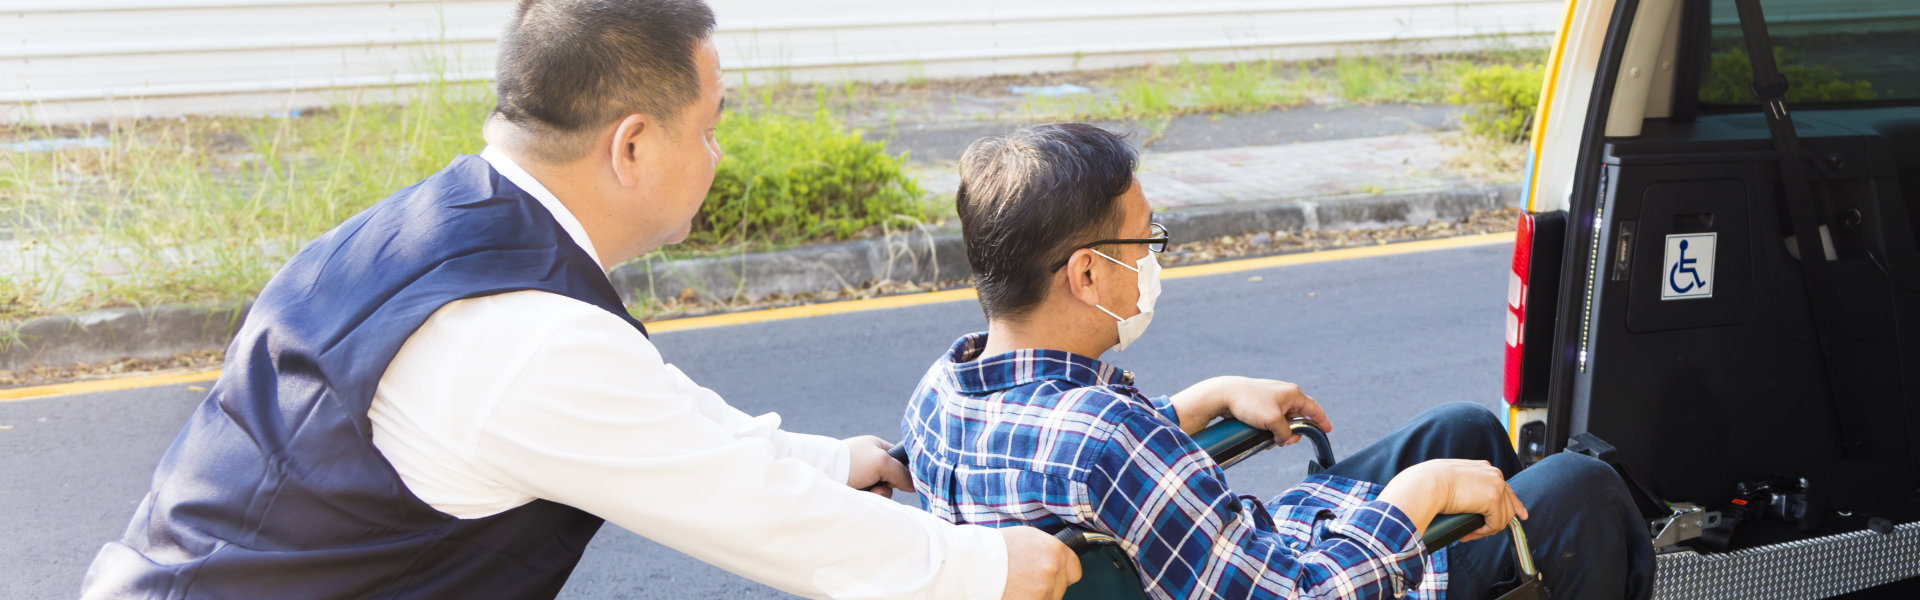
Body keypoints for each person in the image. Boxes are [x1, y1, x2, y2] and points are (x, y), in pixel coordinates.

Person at [79, 2, 1080, 599]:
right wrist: (985, 570)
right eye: (711, 125)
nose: (718, 154)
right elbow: (759, 520)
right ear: (634, 144)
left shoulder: (444, 222)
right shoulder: (524, 336)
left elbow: (647, 412)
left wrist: (831, 459)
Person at [898, 123, 1655, 599]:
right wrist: (1415, 502)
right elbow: (1298, 594)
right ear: (1087, 275)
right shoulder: (1109, 441)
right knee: (1582, 491)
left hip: (1212, 555)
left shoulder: (943, 393)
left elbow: (1066, 473)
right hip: (1296, 577)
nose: (1154, 260)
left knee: (1462, 432)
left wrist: (1195, 403)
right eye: (1143, 243)